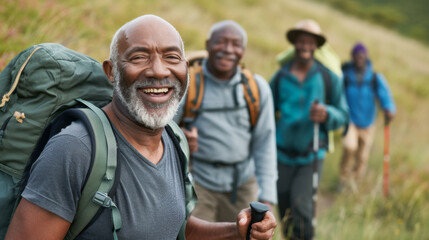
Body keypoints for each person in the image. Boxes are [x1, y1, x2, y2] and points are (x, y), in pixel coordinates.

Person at [5, 15, 277, 240]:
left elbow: (176, 228)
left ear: (185, 68)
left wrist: (237, 231)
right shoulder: (75, 148)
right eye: (138, 57)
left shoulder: (174, 140)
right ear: (111, 72)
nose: (159, 71)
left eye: (171, 57)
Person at [175, 20, 277, 222]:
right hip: (198, 183)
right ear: (208, 45)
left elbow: (264, 143)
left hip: (243, 185)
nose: (228, 50)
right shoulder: (187, 84)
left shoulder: (257, 88)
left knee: (245, 235)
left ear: (243, 51)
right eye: (221, 42)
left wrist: (267, 196)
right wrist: (180, 138)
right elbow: (160, 131)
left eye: (235, 44)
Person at [270, 19, 348, 240]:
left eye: (310, 42)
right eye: (301, 41)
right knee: (284, 209)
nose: (305, 46)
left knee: (302, 209)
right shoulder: (281, 77)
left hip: (311, 155)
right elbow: (266, 111)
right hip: (281, 154)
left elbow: (343, 115)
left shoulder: (328, 78)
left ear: (316, 46)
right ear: (294, 43)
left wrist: (327, 114)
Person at [339, 42, 396, 189]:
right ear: (352, 57)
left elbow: (385, 97)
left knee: (362, 157)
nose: (359, 58)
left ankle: (354, 183)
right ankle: (343, 179)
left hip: (368, 123)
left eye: (362, 56)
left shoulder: (375, 77)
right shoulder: (345, 75)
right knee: (349, 146)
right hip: (350, 120)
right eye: (356, 56)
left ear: (366, 57)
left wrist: (389, 109)